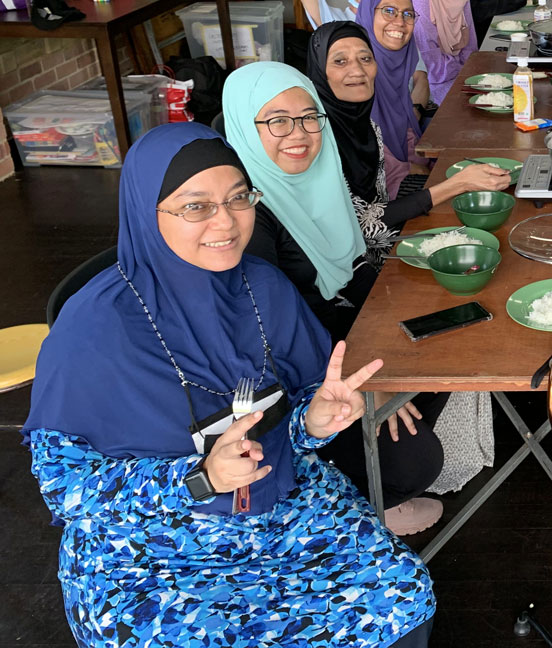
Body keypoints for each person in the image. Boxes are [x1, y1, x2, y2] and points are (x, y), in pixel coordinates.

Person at [23, 122, 436, 647]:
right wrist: (199, 478)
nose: (227, 221)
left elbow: (298, 413)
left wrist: (312, 420)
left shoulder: (262, 285)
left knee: (402, 594)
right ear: (146, 214)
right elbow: (66, 488)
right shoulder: (93, 329)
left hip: (281, 506)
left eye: (239, 197)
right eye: (196, 206)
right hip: (149, 545)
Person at [223, 61, 471, 535]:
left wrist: (394, 343)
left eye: (308, 117)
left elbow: (353, 271)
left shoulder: (320, 175)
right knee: (414, 462)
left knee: (448, 337)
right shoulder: (245, 218)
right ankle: (360, 502)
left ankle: (368, 485)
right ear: (242, 124)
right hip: (295, 392)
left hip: (342, 338)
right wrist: (371, 382)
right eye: (275, 120)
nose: (297, 134)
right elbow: (272, 341)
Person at [307, 22, 510, 264]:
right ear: (319, 70)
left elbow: (380, 202)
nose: (358, 71)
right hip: (350, 269)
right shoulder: (314, 137)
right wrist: (457, 184)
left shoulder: (365, 124)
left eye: (365, 58)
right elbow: (359, 227)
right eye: (340, 61)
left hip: (386, 239)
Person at [354, 0, 423, 196]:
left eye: (408, 14)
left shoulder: (400, 68)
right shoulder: (355, 75)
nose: (400, 22)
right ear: (368, 14)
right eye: (389, 11)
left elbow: (408, 136)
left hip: (405, 177)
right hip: (372, 199)